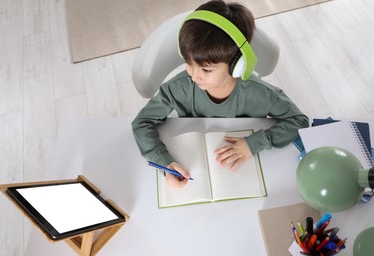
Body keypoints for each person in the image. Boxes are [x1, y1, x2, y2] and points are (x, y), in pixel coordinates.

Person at [132, 0, 309, 188]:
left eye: (206, 70)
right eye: (189, 63)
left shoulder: (260, 93)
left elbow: (299, 121)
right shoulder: (177, 88)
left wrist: (254, 143)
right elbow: (142, 123)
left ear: (237, 65)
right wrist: (164, 162)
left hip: (247, 171)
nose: (194, 75)